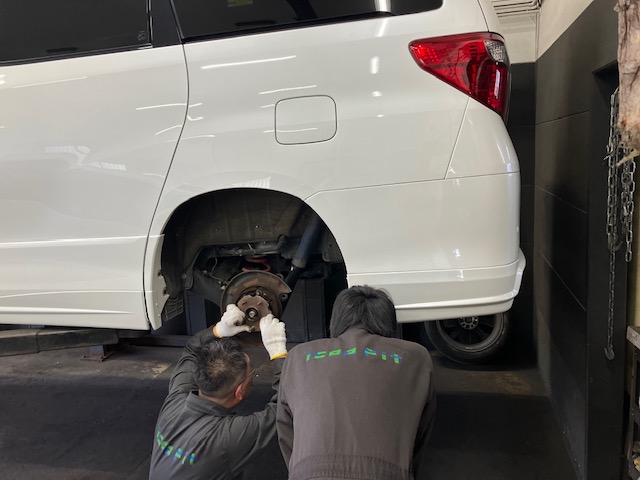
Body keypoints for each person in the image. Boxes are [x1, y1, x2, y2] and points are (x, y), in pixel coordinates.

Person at [276, 285, 436, 480]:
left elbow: (286, 430)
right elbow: (419, 432)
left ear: (338, 319)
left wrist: (302, 471)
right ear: (387, 320)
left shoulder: (299, 356)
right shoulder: (415, 357)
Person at [149, 304, 288, 480]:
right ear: (239, 391)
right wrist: (278, 353)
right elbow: (285, 407)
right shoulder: (227, 438)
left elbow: (192, 350)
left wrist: (218, 330)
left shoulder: (176, 401)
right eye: (251, 374)